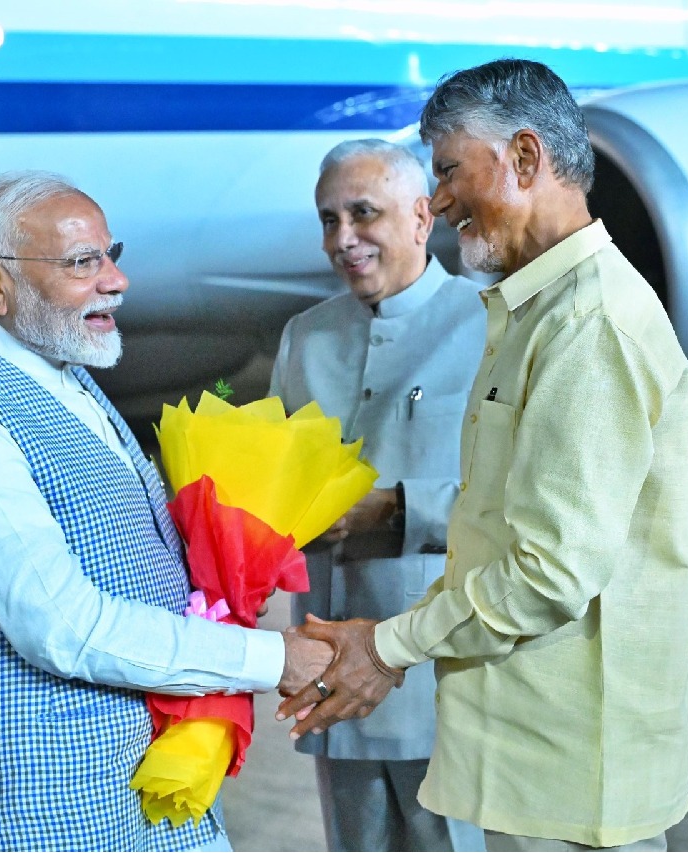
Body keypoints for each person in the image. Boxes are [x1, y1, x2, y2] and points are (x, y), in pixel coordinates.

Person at [278, 59, 688, 852]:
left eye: (447, 171)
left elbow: (548, 571)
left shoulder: (588, 325)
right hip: (517, 747)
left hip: (570, 767)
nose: (439, 201)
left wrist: (386, 645)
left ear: (525, 158)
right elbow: (499, 529)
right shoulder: (532, 313)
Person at [0, 171, 332, 851]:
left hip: (141, 802)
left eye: (110, 254)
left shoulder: (60, 370)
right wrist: (272, 657)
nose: (117, 281)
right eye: (81, 262)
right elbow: (64, 627)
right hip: (36, 823)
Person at [269, 138, 486, 852]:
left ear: (422, 217)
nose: (343, 239)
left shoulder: (489, 326)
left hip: (437, 672)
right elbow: (271, 480)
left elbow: (522, 506)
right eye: (328, 219)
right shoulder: (305, 338)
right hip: (330, 669)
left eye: (363, 214)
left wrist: (396, 509)